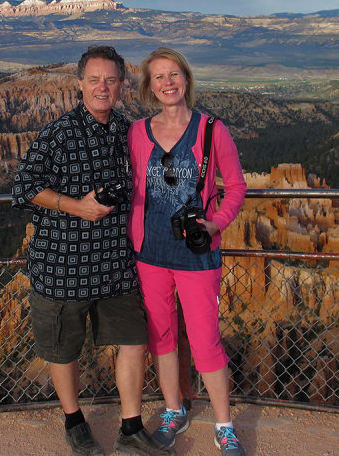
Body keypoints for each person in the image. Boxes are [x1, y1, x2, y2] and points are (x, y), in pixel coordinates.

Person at [12, 45, 174, 456]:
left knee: (134, 342)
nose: (103, 87)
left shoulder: (129, 132)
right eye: (94, 79)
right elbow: (23, 187)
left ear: (122, 85)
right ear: (79, 83)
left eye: (111, 80)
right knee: (64, 350)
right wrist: (74, 205)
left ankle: (131, 428)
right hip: (63, 266)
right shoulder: (58, 133)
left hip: (116, 265)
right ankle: (74, 422)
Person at [128, 48, 248, 456]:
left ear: (186, 79)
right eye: (159, 77)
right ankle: (173, 411)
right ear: (149, 86)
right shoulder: (136, 133)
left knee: (205, 340)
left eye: (173, 74)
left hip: (197, 254)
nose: (167, 83)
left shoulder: (213, 130)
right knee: (160, 338)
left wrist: (218, 222)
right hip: (150, 254)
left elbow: (236, 186)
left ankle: (224, 425)